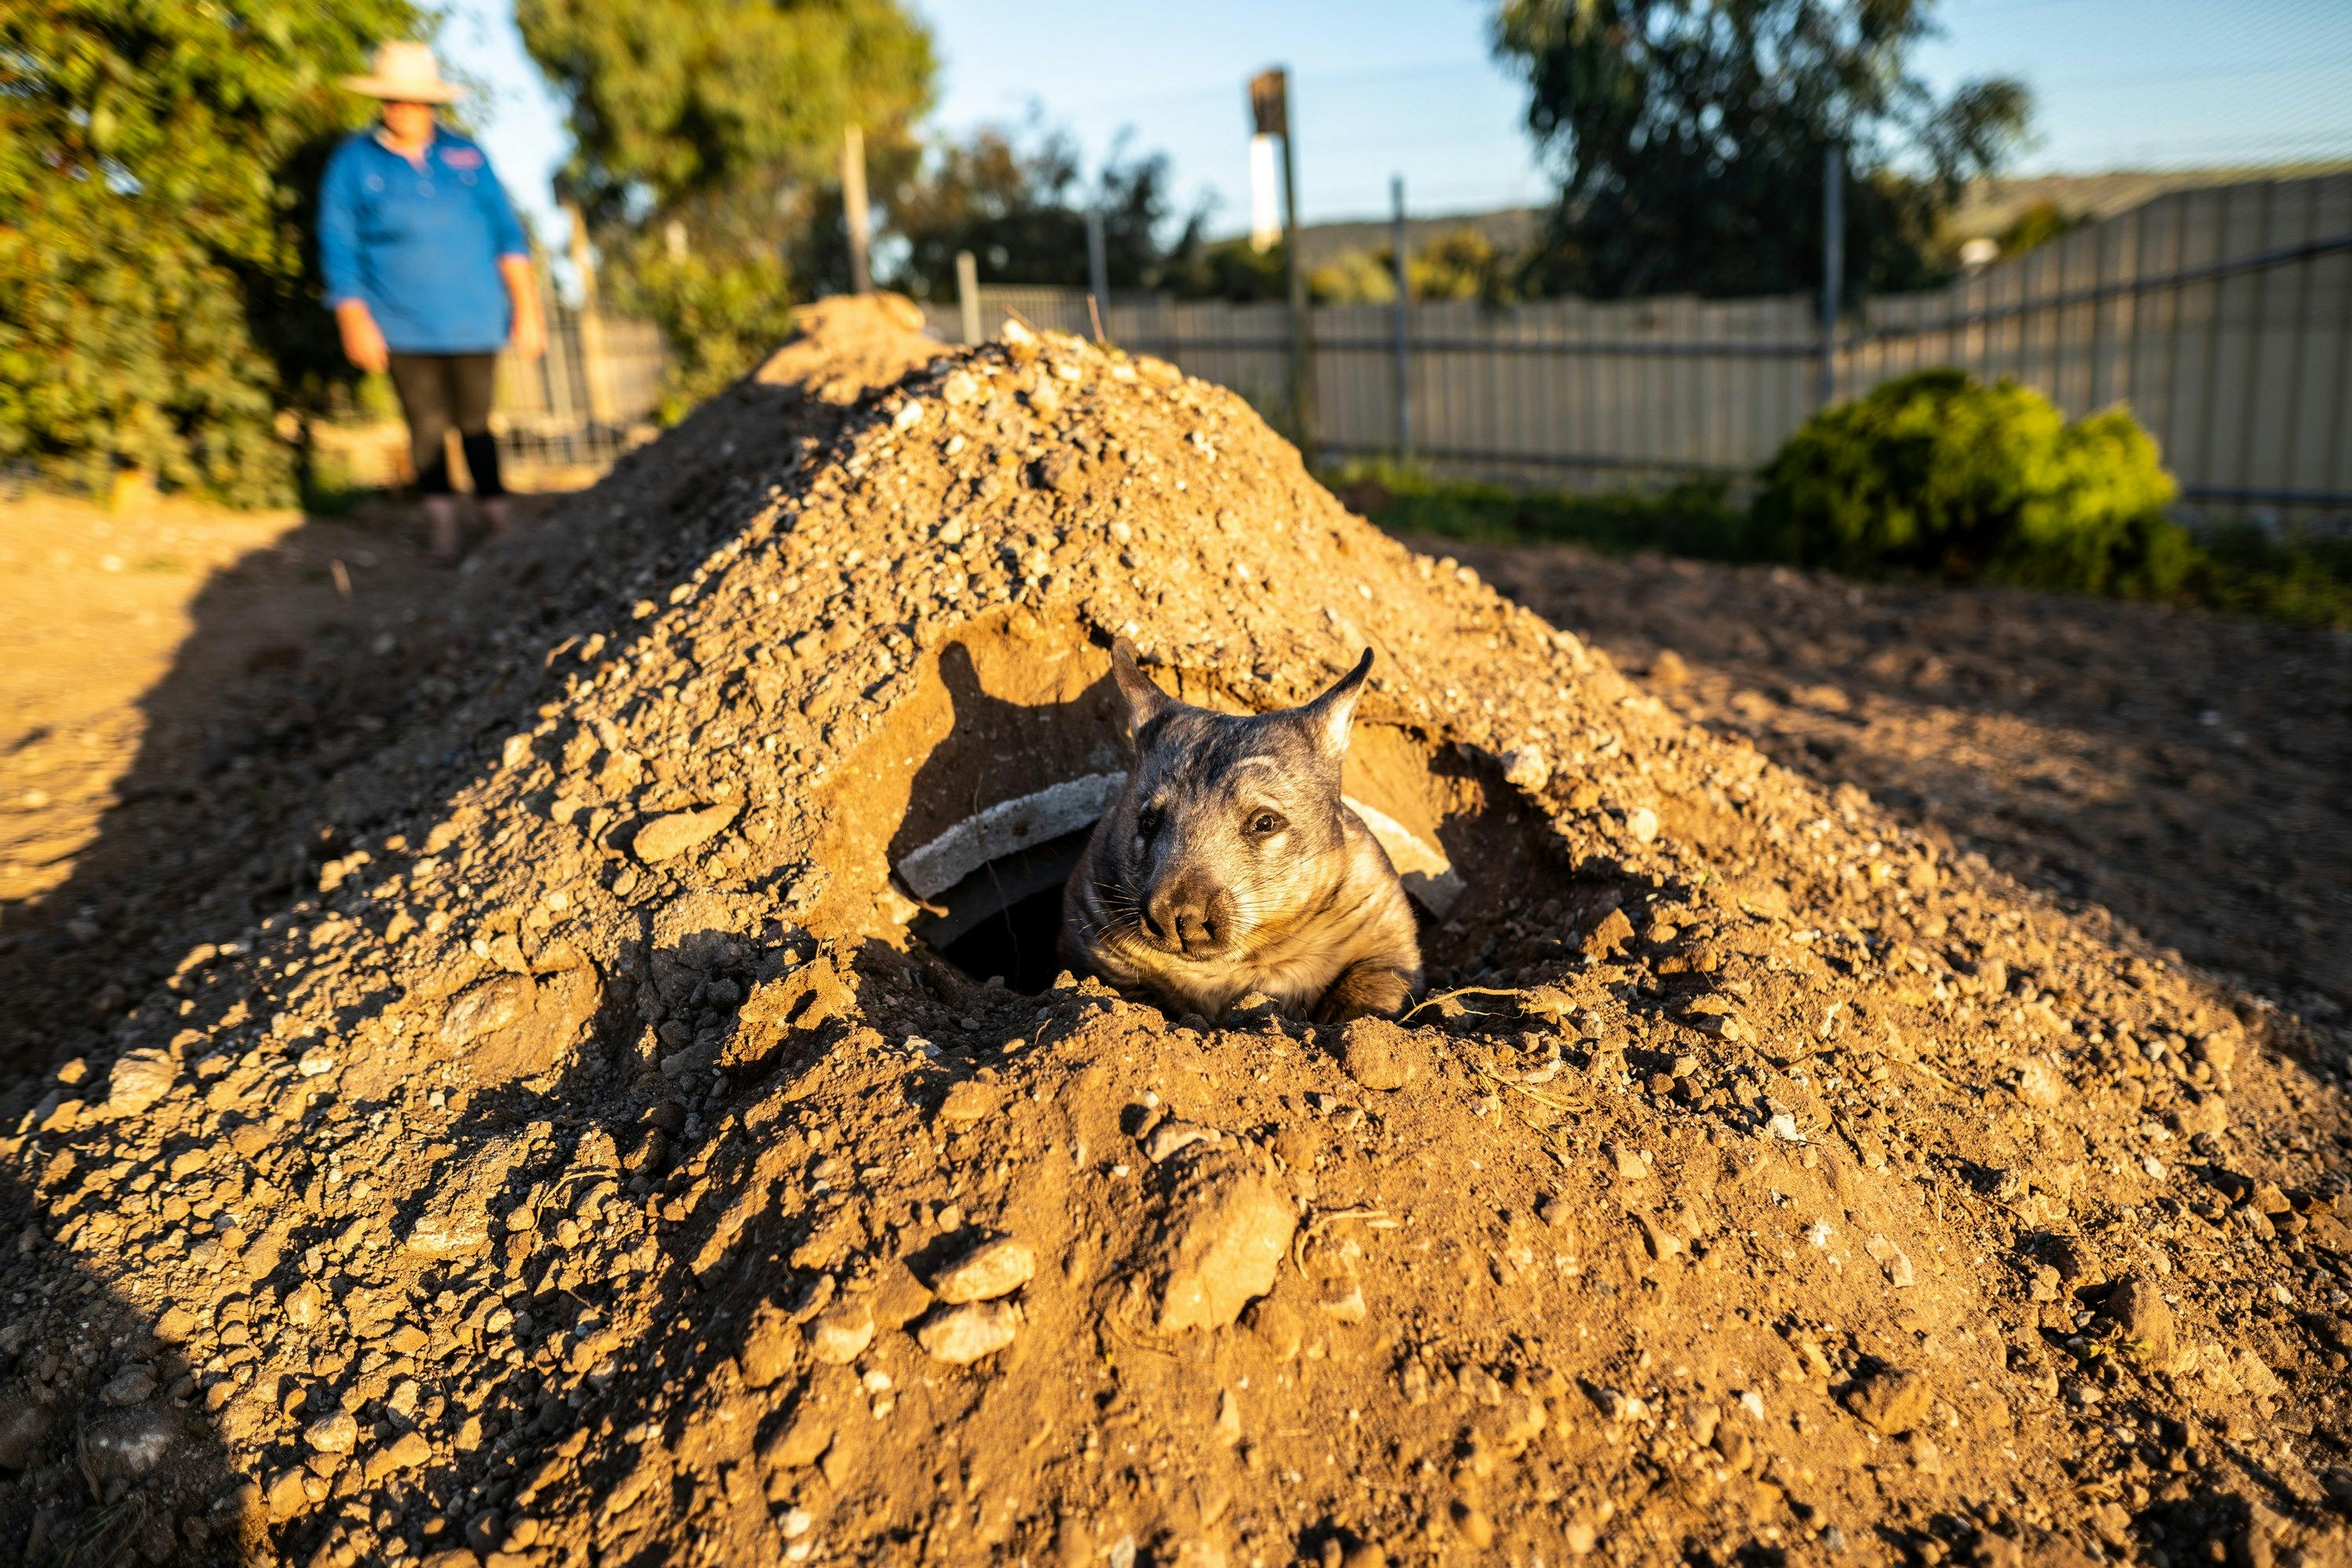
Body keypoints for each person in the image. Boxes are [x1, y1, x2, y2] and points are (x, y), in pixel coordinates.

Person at [318, 42, 546, 561]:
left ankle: (495, 516)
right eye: (395, 99)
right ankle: (441, 524)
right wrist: (353, 317)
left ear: (433, 104)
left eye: (415, 100)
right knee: (424, 423)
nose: (405, 109)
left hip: (475, 318)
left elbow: (508, 234)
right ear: (381, 101)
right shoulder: (354, 162)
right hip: (401, 322)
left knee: (475, 421)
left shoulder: (468, 156)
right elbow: (338, 242)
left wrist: (527, 308)